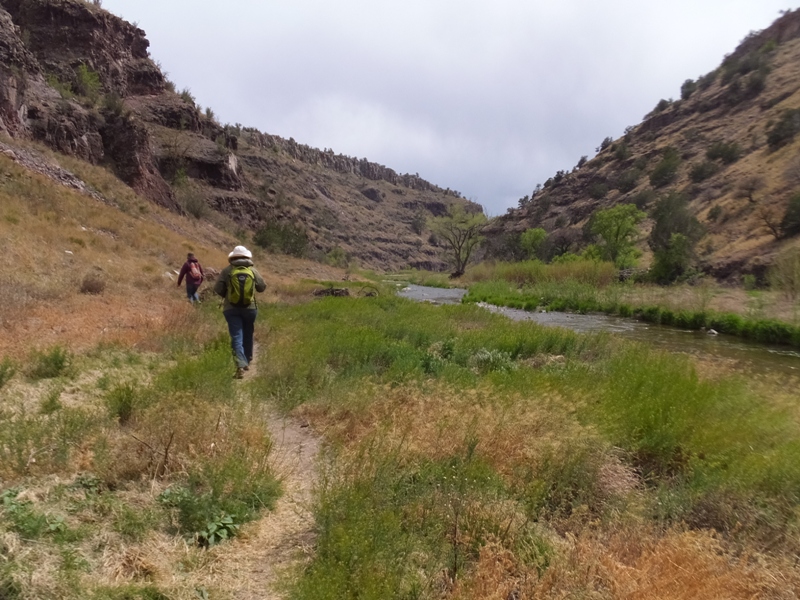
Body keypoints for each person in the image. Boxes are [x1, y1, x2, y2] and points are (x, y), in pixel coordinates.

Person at [214, 245, 266, 379]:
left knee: (236, 335)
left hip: (231, 309)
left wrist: (228, 293)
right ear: (247, 257)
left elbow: (218, 289)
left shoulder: (227, 271)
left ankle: (239, 365)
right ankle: (247, 361)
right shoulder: (252, 270)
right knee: (248, 333)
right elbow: (262, 287)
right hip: (250, 308)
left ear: (233, 257)